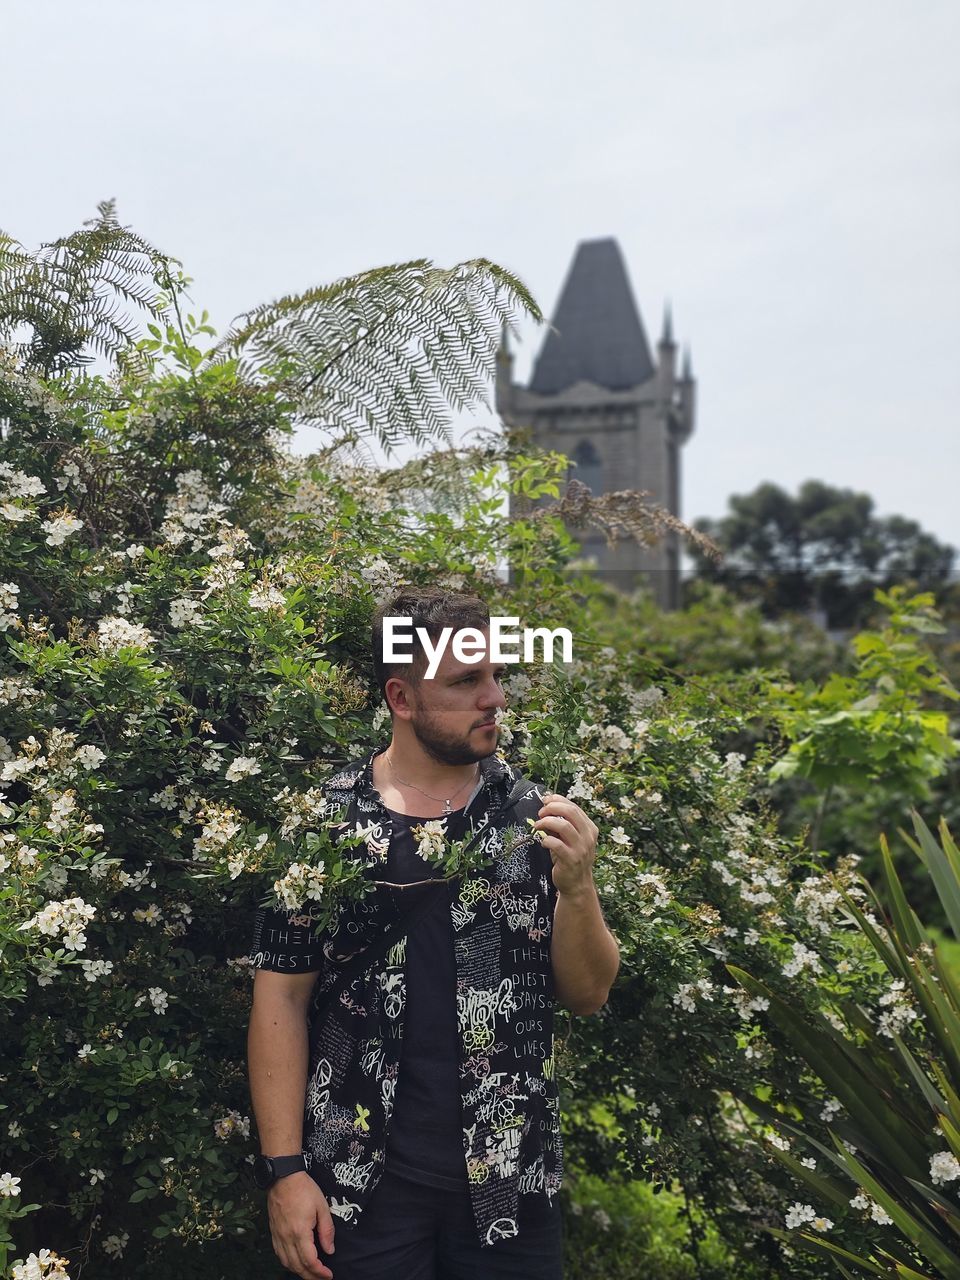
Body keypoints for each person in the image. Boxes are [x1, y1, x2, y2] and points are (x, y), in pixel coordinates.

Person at [247, 587, 620, 1279]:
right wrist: (285, 1171)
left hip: (511, 1179)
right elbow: (282, 1000)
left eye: (497, 675)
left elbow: (589, 994)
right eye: (466, 682)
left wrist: (579, 887)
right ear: (402, 698)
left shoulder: (537, 818)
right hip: (359, 1184)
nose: (495, 699)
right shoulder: (327, 824)